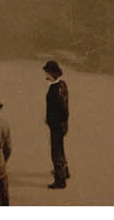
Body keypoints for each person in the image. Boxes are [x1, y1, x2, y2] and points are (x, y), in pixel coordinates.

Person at [44, 61, 69, 189]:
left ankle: (60, 180)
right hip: (60, 125)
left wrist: (54, 121)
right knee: (61, 149)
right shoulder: (62, 85)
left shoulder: (55, 89)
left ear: (53, 74)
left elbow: (62, 109)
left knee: (56, 152)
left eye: (47, 73)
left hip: (56, 126)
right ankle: (65, 172)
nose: (46, 76)